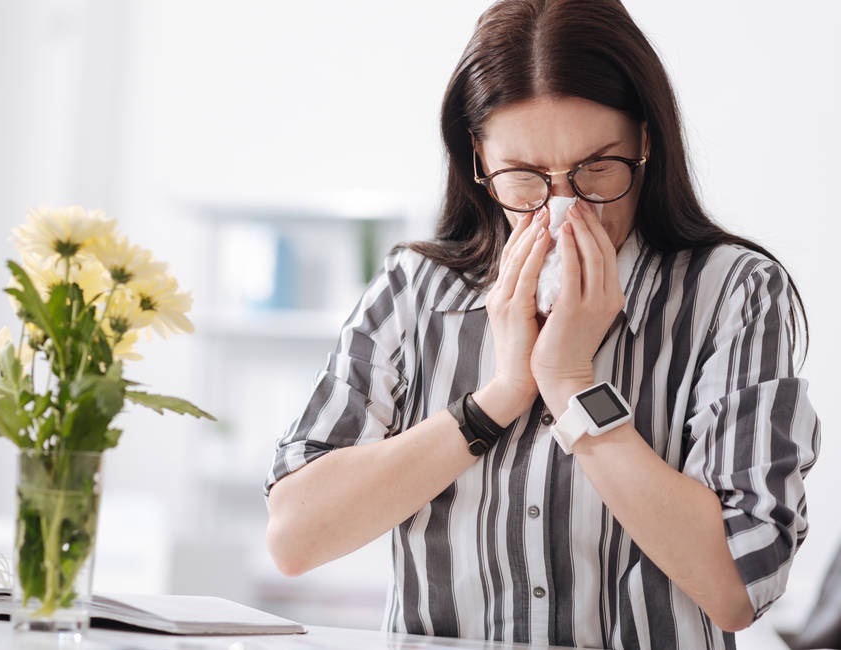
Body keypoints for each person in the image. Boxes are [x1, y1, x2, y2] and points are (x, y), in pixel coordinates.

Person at [263, 1, 821, 648]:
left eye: (595, 169)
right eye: (524, 178)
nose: (562, 210)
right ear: (478, 159)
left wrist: (569, 385)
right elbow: (294, 536)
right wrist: (496, 399)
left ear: (644, 141)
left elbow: (736, 584)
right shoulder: (414, 292)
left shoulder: (733, 293)